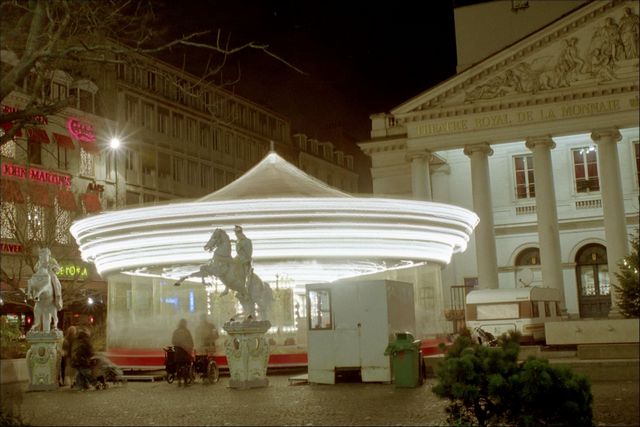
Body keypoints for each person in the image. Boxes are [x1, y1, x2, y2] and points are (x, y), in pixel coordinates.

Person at [171, 318, 194, 386]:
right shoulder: (187, 331)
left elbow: (173, 341)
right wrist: (190, 348)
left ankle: (179, 381)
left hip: (178, 352)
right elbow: (191, 342)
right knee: (186, 366)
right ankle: (185, 381)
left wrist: (178, 345)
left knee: (178, 366)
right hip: (185, 352)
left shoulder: (176, 331)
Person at [233, 225, 253, 290]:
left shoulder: (247, 241)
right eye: (236, 234)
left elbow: (248, 253)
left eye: (236, 234)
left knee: (243, 275)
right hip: (238, 258)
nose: (236, 235)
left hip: (245, 260)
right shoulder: (239, 240)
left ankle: (244, 286)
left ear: (240, 233)